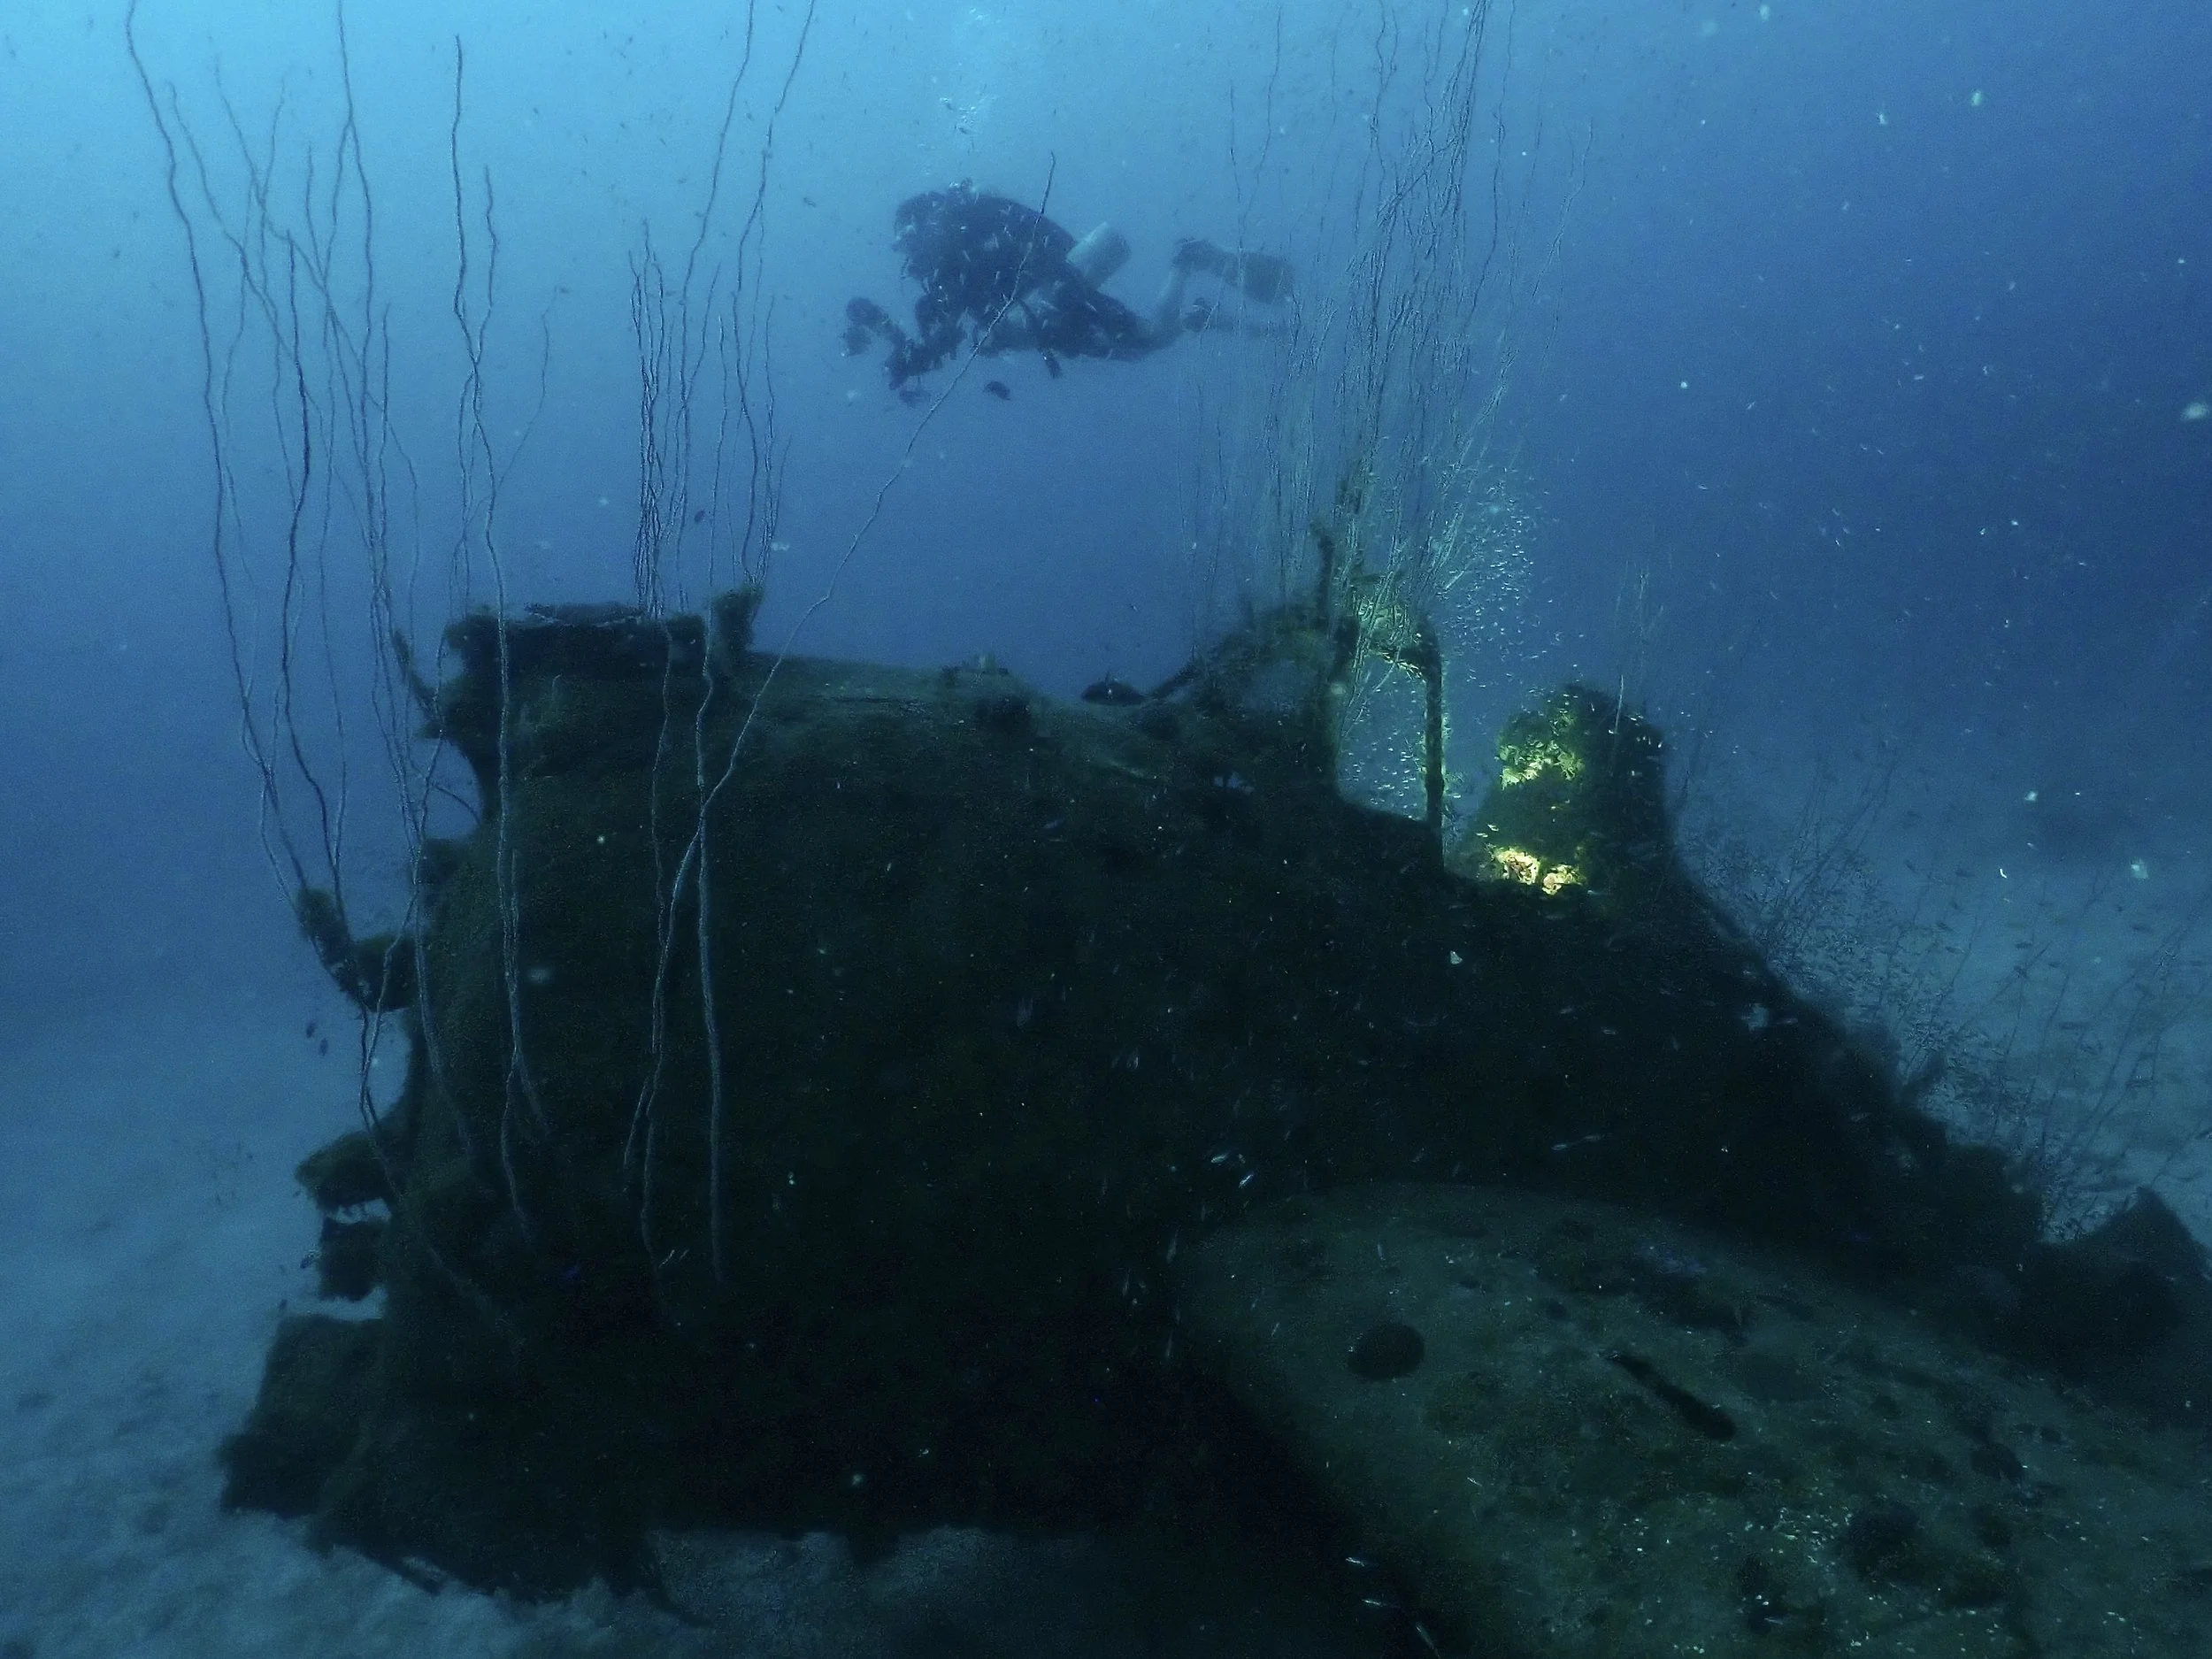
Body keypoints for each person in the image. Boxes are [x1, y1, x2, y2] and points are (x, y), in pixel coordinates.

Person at [843, 181, 1293, 395]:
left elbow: (1048, 245)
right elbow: (943, 336)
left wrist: (1052, 293)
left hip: (1060, 295)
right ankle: (1197, 308)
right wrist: (907, 353)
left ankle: (1189, 261)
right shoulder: (942, 276)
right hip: (1044, 321)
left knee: (1148, 340)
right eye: (902, 246)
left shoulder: (975, 234)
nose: (907, 254)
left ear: (932, 224)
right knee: (1143, 346)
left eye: (909, 240)